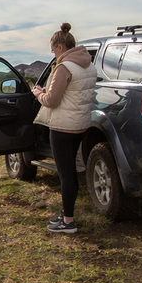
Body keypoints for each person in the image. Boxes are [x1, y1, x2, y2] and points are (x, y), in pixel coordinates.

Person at [31, 23, 97, 234]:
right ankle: (66, 212)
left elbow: (51, 100)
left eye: (52, 50)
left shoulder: (64, 68)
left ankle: (68, 221)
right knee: (70, 172)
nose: (52, 54)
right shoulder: (88, 65)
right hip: (80, 125)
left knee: (65, 174)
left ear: (60, 46)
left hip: (62, 128)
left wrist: (37, 93)